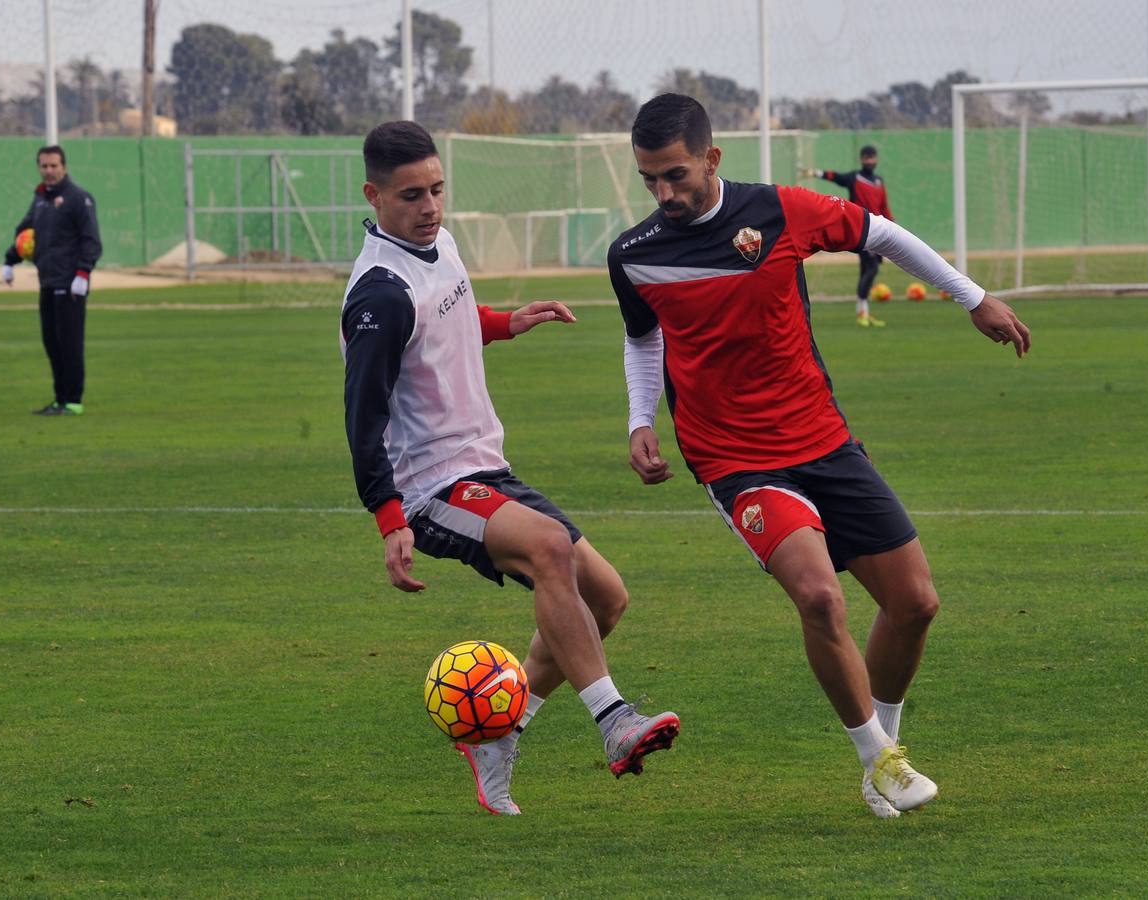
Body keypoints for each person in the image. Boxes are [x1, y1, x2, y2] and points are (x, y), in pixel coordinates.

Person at [608, 94, 1030, 819]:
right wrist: (639, 418)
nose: (663, 194)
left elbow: (882, 234)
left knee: (915, 604)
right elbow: (645, 337)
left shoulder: (779, 212)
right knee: (819, 595)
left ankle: (884, 758)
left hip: (822, 439)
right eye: (650, 180)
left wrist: (972, 297)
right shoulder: (634, 255)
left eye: (675, 175)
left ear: (712, 158)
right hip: (733, 457)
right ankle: (879, 759)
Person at [342, 120, 679, 816]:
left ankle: (498, 734)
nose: (430, 206)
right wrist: (389, 520)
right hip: (430, 488)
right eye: (411, 196)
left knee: (607, 599)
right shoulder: (377, 295)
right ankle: (615, 722)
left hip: (485, 467)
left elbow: (444, 323)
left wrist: (504, 322)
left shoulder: (438, 242)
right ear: (373, 195)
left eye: (437, 190)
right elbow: (362, 420)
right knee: (550, 548)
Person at [3, 145, 102, 416]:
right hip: (47, 280)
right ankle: (59, 399)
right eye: (44, 166)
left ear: (64, 167)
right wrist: (10, 260)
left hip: (70, 283)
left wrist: (83, 274)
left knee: (69, 344)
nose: (48, 171)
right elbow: (25, 232)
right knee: (52, 343)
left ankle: (73, 401)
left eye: (53, 166)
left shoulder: (78, 199)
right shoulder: (40, 199)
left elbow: (91, 241)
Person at [802, 145, 891, 327]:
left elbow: (884, 206)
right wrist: (815, 173)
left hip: (879, 230)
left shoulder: (878, 181)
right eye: (866, 158)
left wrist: (891, 224)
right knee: (871, 269)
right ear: (861, 160)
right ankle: (862, 311)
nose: (869, 161)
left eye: (872, 157)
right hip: (861, 230)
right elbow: (836, 177)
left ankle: (862, 312)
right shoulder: (854, 178)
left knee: (867, 270)